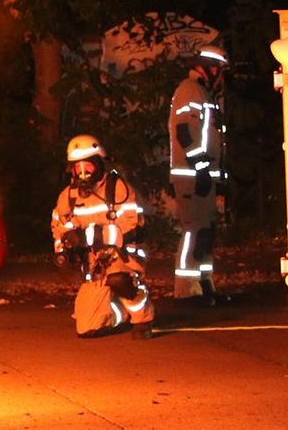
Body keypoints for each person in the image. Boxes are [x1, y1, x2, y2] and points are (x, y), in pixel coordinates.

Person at [51, 134, 154, 336]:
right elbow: (59, 227)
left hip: (122, 255)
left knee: (119, 280)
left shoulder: (119, 189)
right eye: (77, 168)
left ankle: (143, 318)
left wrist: (92, 237)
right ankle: (120, 311)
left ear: (98, 165)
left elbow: (131, 227)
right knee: (87, 327)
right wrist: (64, 250)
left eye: (87, 167)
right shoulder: (67, 197)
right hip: (93, 263)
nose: (82, 173)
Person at [167, 41, 228, 302]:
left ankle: (203, 285)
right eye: (220, 70)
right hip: (192, 175)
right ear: (209, 69)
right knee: (194, 230)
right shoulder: (190, 90)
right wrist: (201, 167)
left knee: (206, 231)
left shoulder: (204, 94)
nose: (222, 77)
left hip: (203, 174)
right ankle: (186, 289)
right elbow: (185, 132)